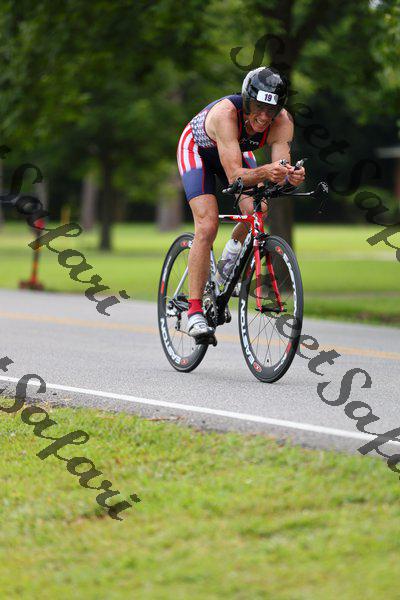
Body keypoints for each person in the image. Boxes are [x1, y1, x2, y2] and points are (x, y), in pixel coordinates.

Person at [176, 66, 305, 339]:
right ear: (247, 101)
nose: (264, 117)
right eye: (258, 107)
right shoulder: (225, 114)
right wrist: (267, 171)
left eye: (271, 110)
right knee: (207, 224)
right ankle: (194, 312)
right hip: (197, 151)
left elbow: (280, 171)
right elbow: (235, 175)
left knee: (258, 210)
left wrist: (291, 178)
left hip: (233, 151)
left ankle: (227, 264)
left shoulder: (283, 121)